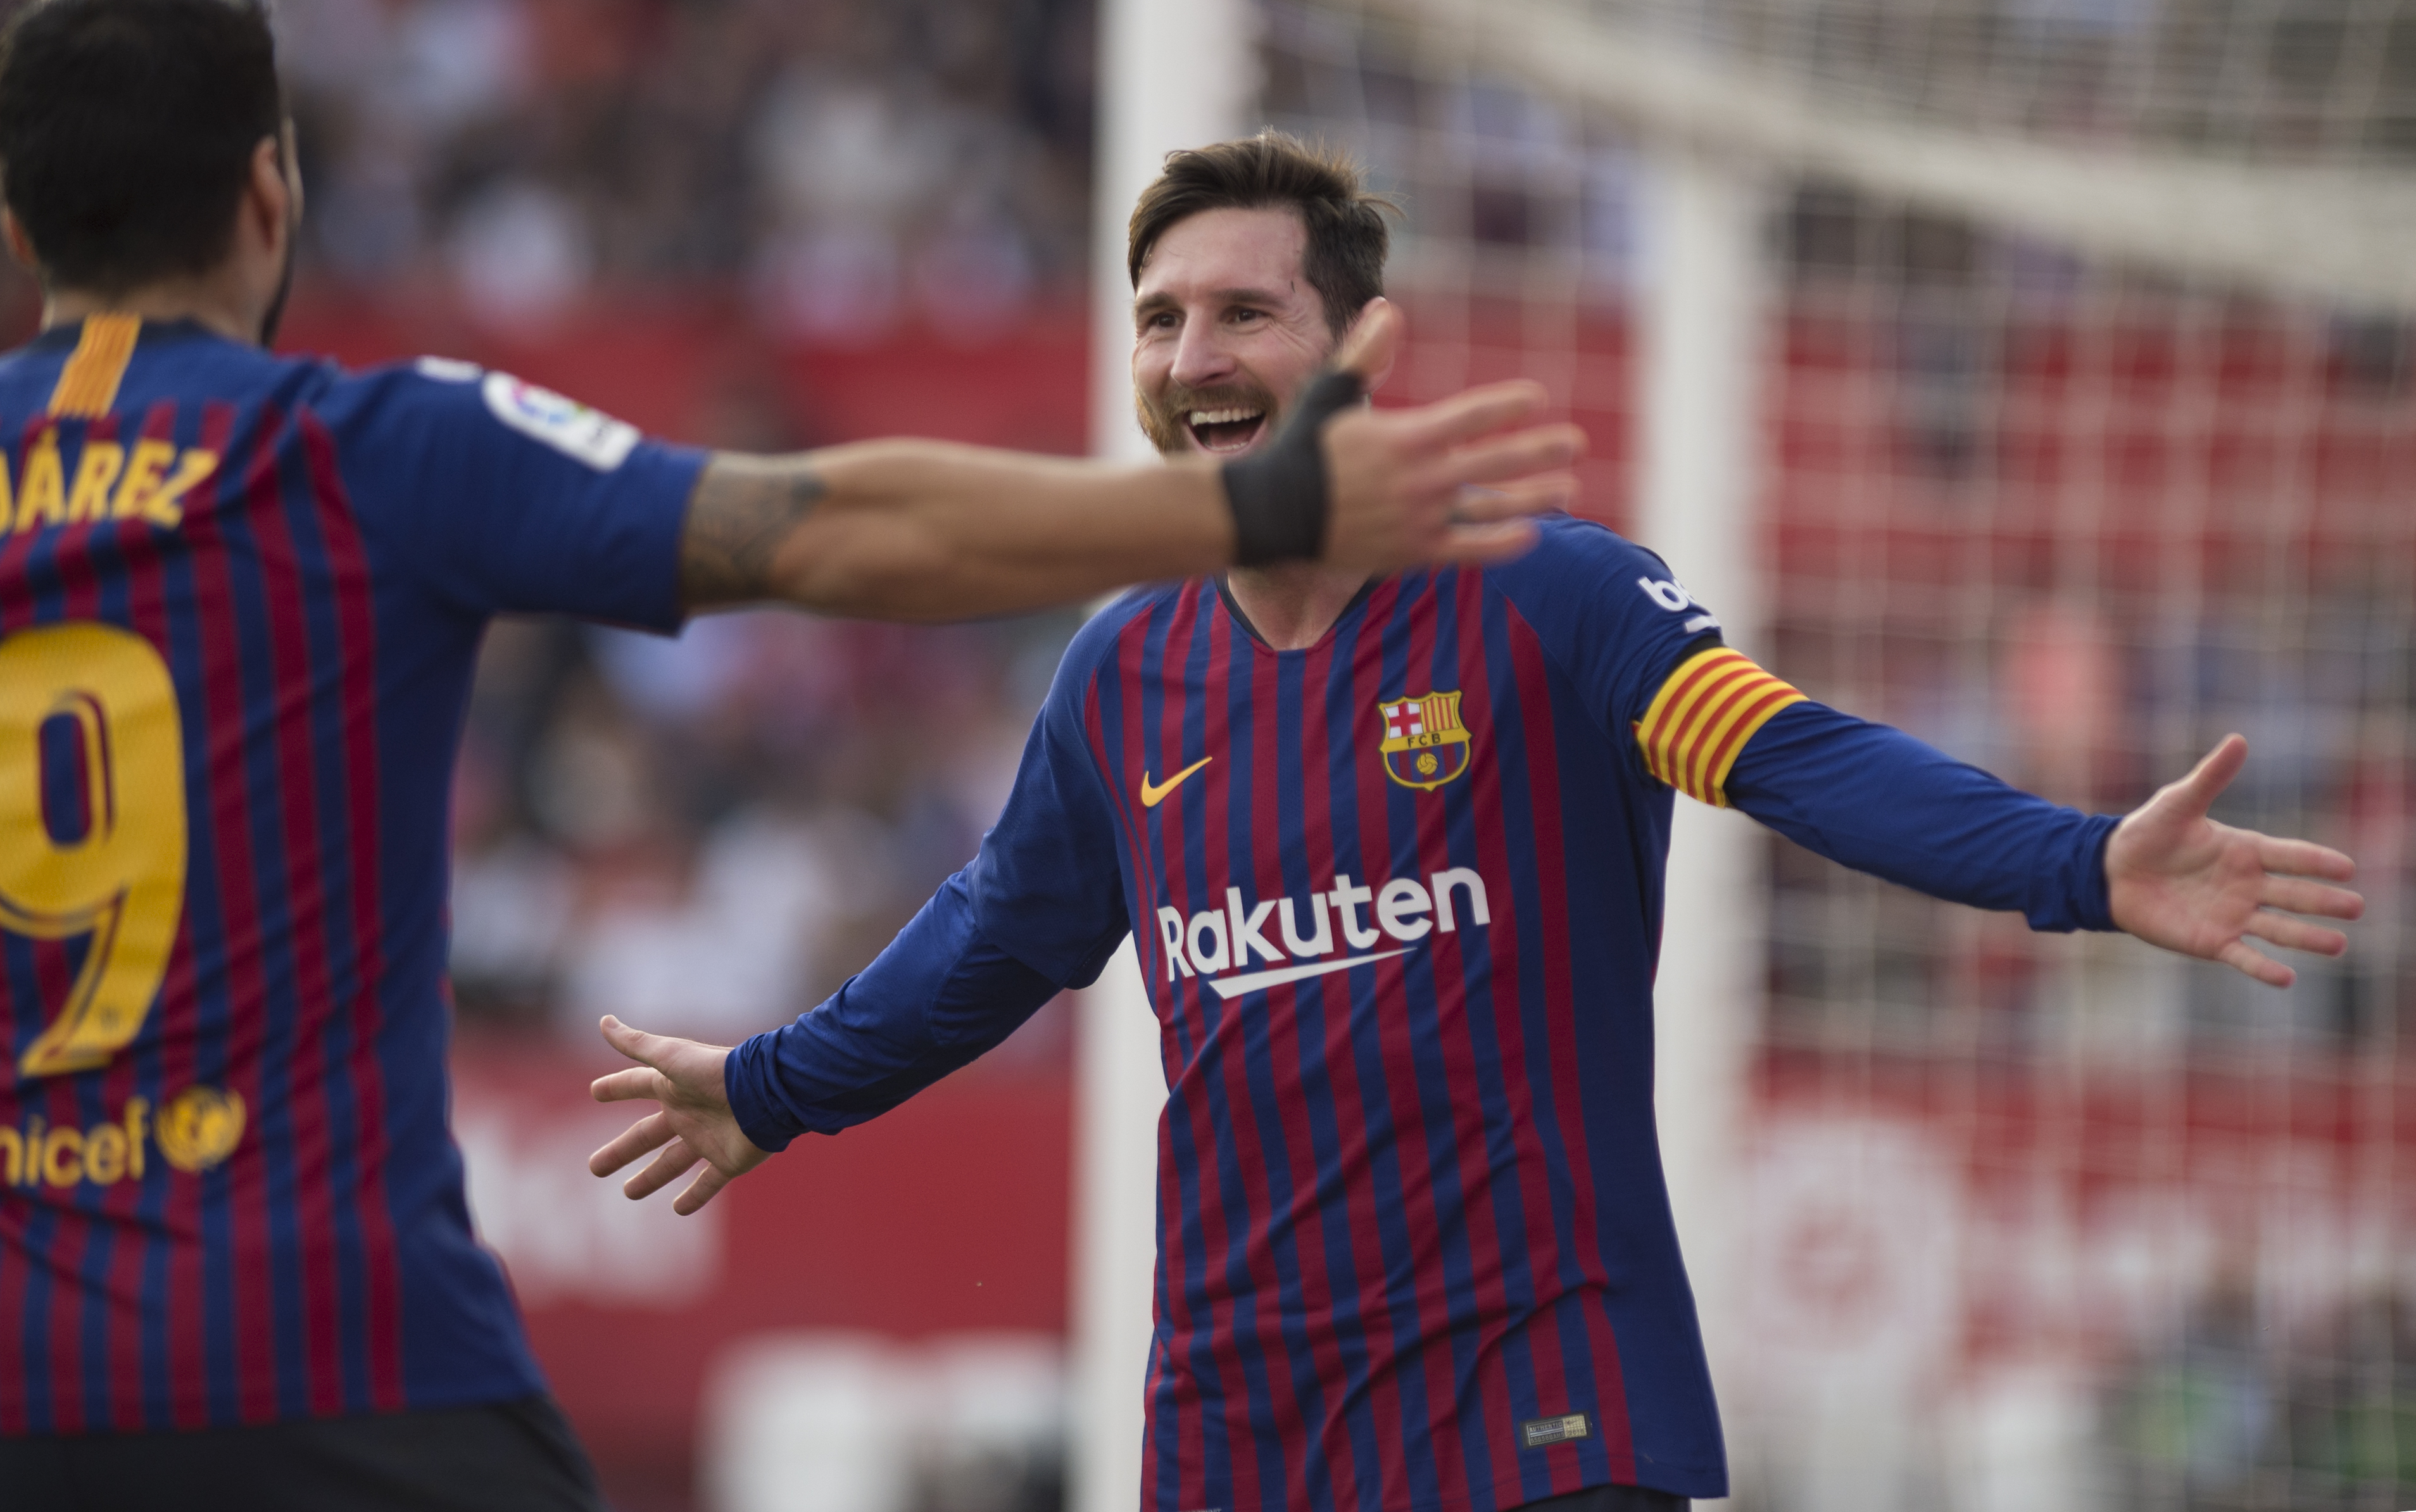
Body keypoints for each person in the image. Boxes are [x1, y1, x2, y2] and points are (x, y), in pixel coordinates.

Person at [0, 0, 1580, 1512]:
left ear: (10, 219)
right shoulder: (369, 447)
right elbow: (827, 527)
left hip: (9, 1376)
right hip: (333, 1352)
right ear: (270, 191)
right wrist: (1247, 508)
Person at [586, 132, 2365, 1512]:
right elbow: (992, 936)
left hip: (1538, 1387)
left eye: (1241, 312)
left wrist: (2078, 862)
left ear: (1359, 351)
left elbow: (1796, 755)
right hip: (1243, 1412)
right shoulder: (1120, 669)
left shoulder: (1549, 597)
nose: (1188, 351)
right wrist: (768, 1086)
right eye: (1157, 315)